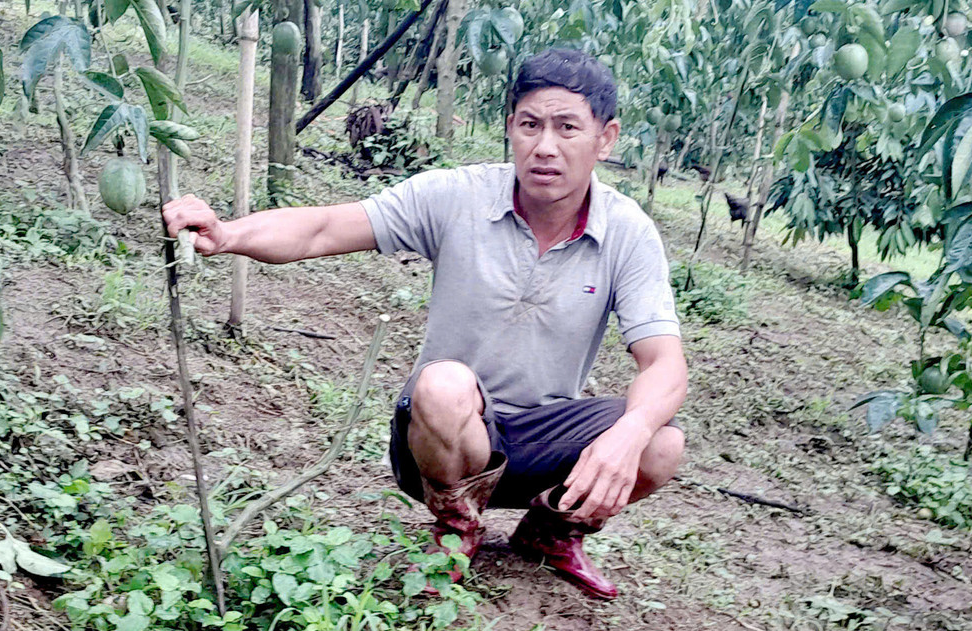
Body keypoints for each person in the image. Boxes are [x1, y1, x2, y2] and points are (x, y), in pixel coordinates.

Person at [163, 48, 688, 600]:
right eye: (530, 125)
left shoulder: (628, 232)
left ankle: (550, 531)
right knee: (442, 384)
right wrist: (228, 235)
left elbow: (665, 363)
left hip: (542, 441)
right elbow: (324, 228)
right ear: (510, 127)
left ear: (605, 139)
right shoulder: (455, 196)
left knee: (661, 444)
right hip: (443, 438)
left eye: (567, 128)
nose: (545, 147)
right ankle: (456, 526)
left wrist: (629, 434)